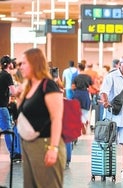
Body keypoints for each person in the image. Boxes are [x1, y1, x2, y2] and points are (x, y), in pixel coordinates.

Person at [17, 48, 66, 187]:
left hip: (45, 143)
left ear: (35, 63)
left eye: (24, 63)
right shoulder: (28, 86)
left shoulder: (48, 85)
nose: (20, 67)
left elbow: (57, 118)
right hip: (29, 145)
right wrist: (19, 95)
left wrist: (53, 148)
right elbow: (22, 114)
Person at [0, 55, 21, 161]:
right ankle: (13, 154)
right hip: (2, 108)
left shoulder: (0, 74)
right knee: (8, 130)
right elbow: (14, 92)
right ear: (9, 64)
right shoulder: (7, 76)